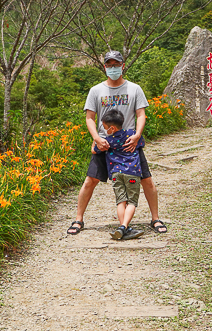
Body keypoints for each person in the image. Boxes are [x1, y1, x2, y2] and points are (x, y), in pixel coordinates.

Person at [67, 50, 168, 236]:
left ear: (123, 65)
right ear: (105, 67)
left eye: (116, 64)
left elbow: (140, 114)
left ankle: (155, 218)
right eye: (109, 65)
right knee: (90, 180)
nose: (113, 68)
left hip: (129, 144)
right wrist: (97, 138)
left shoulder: (134, 89)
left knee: (146, 180)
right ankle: (78, 219)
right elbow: (90, 118)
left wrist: (137, 135)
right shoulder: (96, 91)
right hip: (104, 144)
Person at [94, 109, 145, 240]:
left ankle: (124, 229)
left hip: (116, 174)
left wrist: (96, 140)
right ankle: (123, 227)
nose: (105, 131)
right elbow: (142, 143)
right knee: (132, 202)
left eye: (105, 128)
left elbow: (94, 150)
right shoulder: (132, 135)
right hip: (132, 173)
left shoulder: (107, 141)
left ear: (111, 128)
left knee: (120, 201)